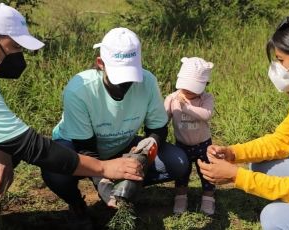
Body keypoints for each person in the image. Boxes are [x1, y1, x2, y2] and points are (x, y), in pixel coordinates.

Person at [0, 4, 143, 230]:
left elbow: (10, 132)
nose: (20, 55)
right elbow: (34, 148)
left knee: (9, 149)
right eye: (16, 47)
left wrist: (3, 150)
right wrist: (103, 168)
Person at [198, 10, 289, 230]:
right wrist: (233, 153)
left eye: (280, 60)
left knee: (276, 217)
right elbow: (281, 141)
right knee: (261, 164)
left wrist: (237, 178)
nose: (276, 68)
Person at [41, 27, 189, 228]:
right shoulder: (80, 90)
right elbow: (85, 146)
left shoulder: (147, 82)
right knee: (55, 171)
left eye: (130, 76)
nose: (126, 83)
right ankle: (77, 205)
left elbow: (158, 128)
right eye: (119, 76)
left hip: (122, 146)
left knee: (178, 161)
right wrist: (101, 179)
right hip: (76, 146)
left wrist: (147, 148)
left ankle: (125, 190)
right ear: (100, 64)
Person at [164, 57, 216, 215]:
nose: (187, 91)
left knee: (207, 173)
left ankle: (208, 199)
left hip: (203, 144)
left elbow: (206, 114)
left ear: (204, 85)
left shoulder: (206, 98)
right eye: (185, 86)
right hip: (182, 145)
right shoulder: (172, 98)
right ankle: (181, 197)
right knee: (182, 173)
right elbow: (163, 118)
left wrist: (185, 107)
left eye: (193, 88)